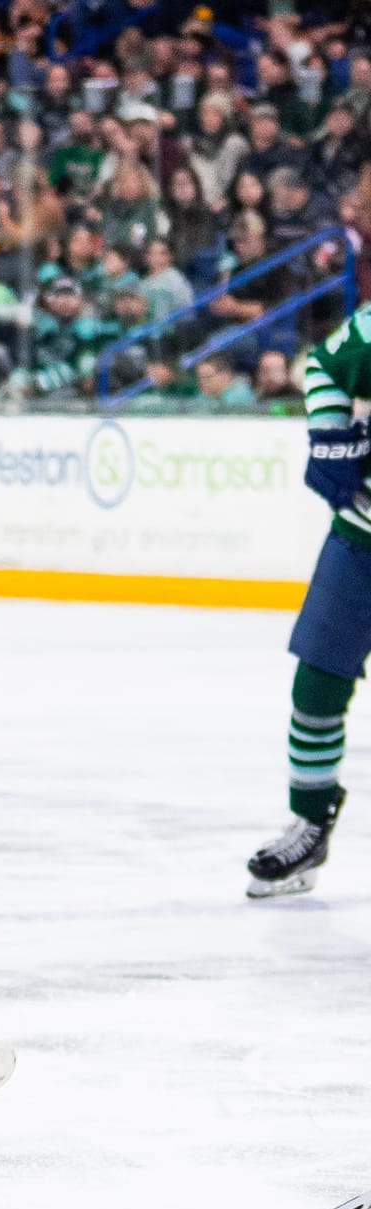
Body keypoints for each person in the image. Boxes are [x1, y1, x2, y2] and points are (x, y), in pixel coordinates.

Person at [246, 301, 371, 896]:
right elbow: (322, 365)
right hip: (362, 538)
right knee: (317, 684)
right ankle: (310, 823)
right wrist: (329, 434)